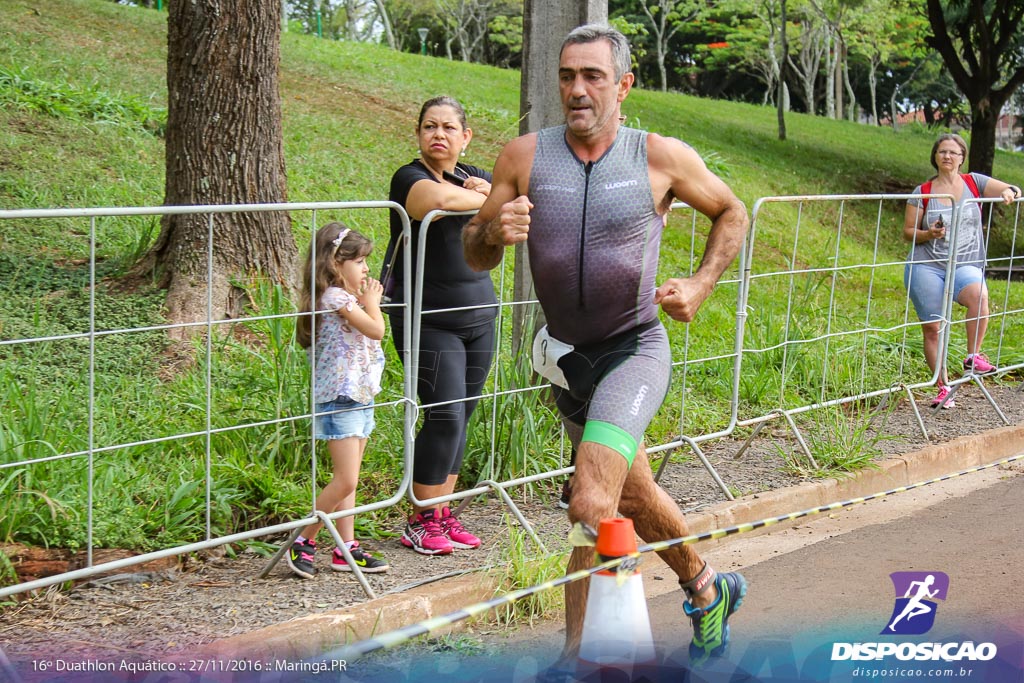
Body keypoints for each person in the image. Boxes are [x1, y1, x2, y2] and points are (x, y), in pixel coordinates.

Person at [463, 24, 750, 668]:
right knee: (633, 496)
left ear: (623, 85)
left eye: (593, 76)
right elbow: (475, 255)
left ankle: (573, 659)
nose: (577, 90)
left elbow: (732, 212)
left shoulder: (659, 157)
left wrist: (702, 284)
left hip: (632, 352)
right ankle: (706, 587)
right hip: (566, 358)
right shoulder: (524, 157)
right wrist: (491, 232)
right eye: (567, 76)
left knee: (590, 498)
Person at [384, 96, 497, 555]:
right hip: (426, 317)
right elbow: (436, 200)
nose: (439, 134)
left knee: (463, 414)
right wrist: (485, 199)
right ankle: (420, 518)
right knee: (444, 413)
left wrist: (489, 195)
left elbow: (514, 203)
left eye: (450, 127)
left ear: (465, 136)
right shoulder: (408, 177)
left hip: (479, 315)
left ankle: (441, 511)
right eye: (430, 126)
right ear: (418, 133)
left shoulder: (478, 175)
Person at [288, 222, 389, 578]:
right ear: (335, 263)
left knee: (351, 479)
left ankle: (345, 548)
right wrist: (372, 303)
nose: (365, 270)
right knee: (345, 480)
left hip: (360, 395)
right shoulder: (334, 297)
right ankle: (303, 540)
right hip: (341, 397)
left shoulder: (347, 299)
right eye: (359, 261)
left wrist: (365, 301)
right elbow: (377, 330)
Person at [903, 133, 1021, 409]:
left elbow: (1013, 189)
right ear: (935, 156)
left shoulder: (974, 182)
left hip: (965, 264)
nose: (947, 156)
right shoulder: (922, 191)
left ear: (962, 158)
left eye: (953, 152)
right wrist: (928, 234)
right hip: (926, 265)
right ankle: (943, 386)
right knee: (933, 328)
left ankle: (973, 357)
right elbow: (908, 232)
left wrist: (1008, 193)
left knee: (979, 297)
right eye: (942, 151)